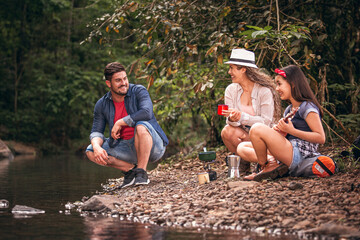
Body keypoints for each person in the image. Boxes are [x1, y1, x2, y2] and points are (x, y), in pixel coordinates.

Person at [85, 62, 169, 188]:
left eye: (125, 78)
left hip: (152, 147)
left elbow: (147, 113)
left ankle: (141, 173)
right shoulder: (102, 104)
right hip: (124, 148)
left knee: (141, 126)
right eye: (118, 80)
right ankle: (131, 171)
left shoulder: (139, 91)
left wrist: (121, 122)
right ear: (109, 83)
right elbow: (97, 131)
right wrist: (97, 146)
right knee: (91, 151)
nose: (124, 83)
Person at [238, 65, 326, 181]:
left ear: (293, 84)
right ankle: (273, 164)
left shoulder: (307, 107)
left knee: (256, 128)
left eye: (279, 84)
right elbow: (287, 136)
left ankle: (265, 167)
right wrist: (281, 131)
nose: (277, 88)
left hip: (299, 154)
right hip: (289, 149)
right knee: (242, 147)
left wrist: (292, 130)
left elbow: (321, 138)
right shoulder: (289, 109)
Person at [220, 48, 280, 174]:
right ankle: (244, 163)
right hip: (245, 136)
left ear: (243, 69)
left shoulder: (264, 91)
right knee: (227, 131)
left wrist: (242, 116)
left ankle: (265, 162)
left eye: (232, 68)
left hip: (264, 138)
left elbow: (266, 122)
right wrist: (233, 118)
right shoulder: (231, 90)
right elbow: (231, 123)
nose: (229, 72)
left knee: (257, 130)